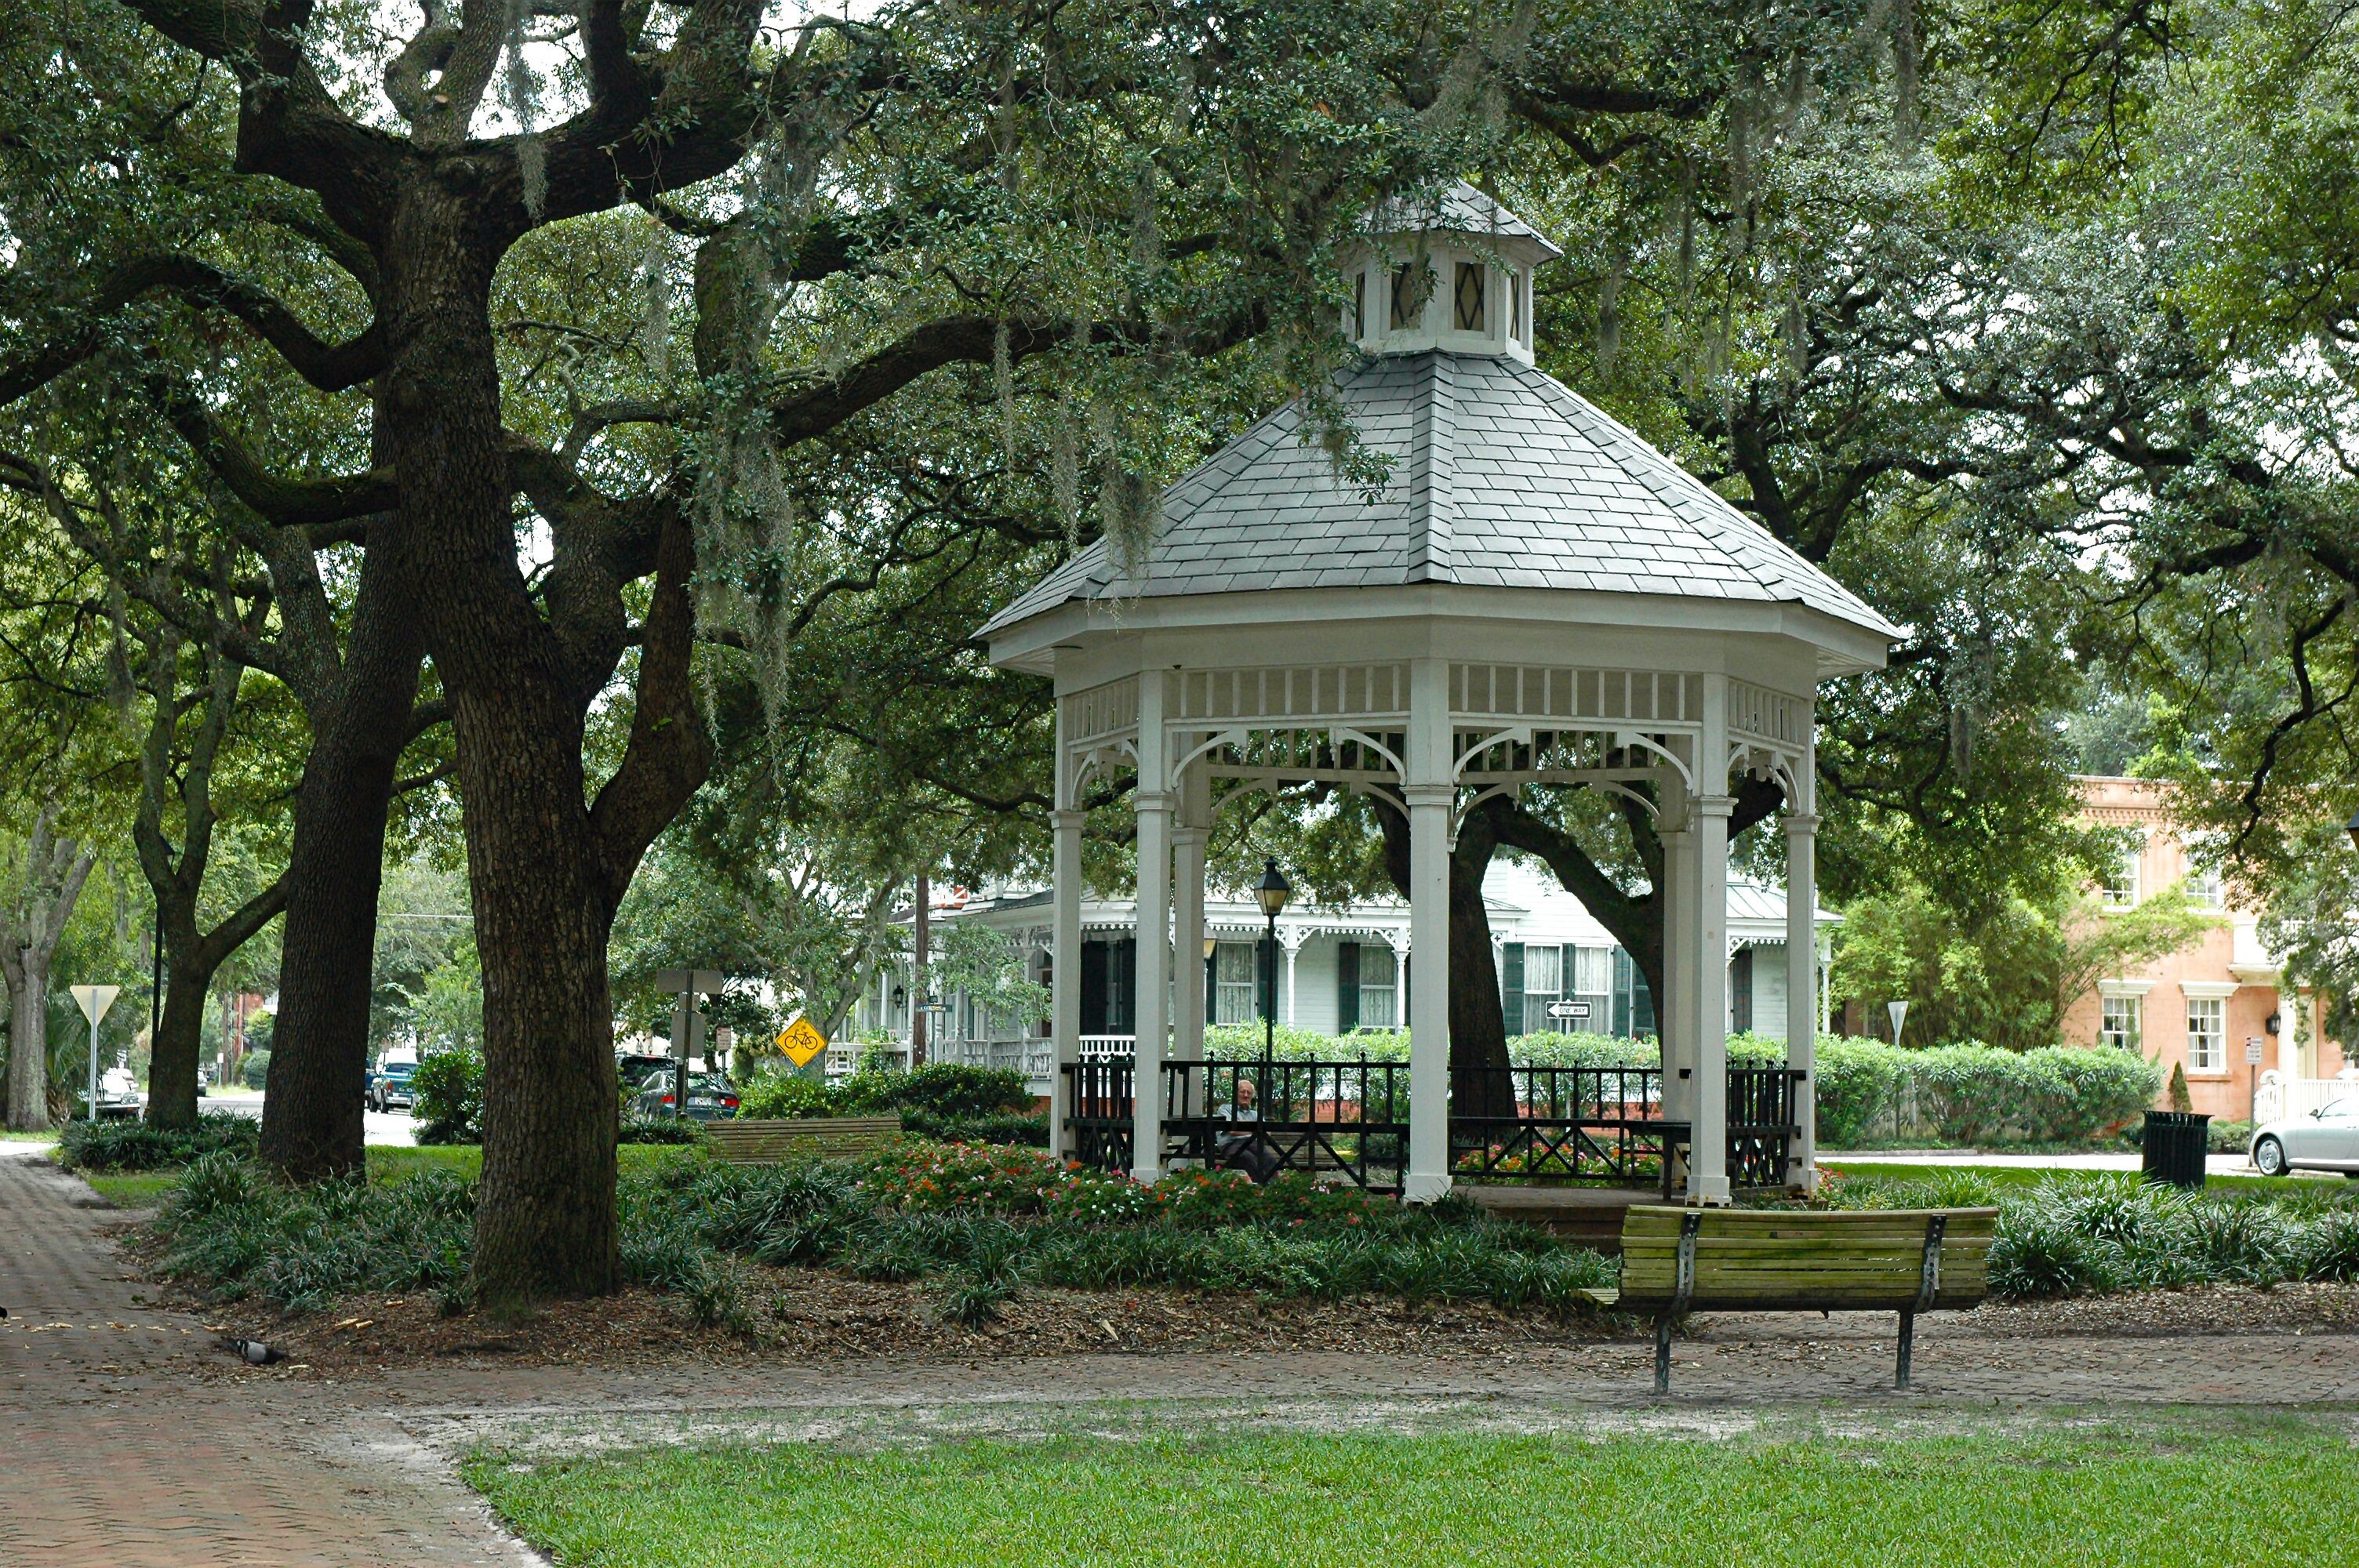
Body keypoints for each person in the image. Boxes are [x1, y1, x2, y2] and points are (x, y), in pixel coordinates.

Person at [1213, 1074, 1281, 1183]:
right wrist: (1255, 1131)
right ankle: (1262, 1187)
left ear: (1252, 1096)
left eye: (1248, 1093)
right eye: (1242, 1092)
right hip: (1231, 1145)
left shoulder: (1255, 1114)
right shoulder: (1226, 1109)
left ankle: (1274, 1188)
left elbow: (1266, 1133)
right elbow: (1233, 1129)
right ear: (1236, 1093)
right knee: (1248, 1159)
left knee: (1269, 1159)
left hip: (1252, 1144)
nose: (1245, 1095)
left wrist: (1248, 1130)